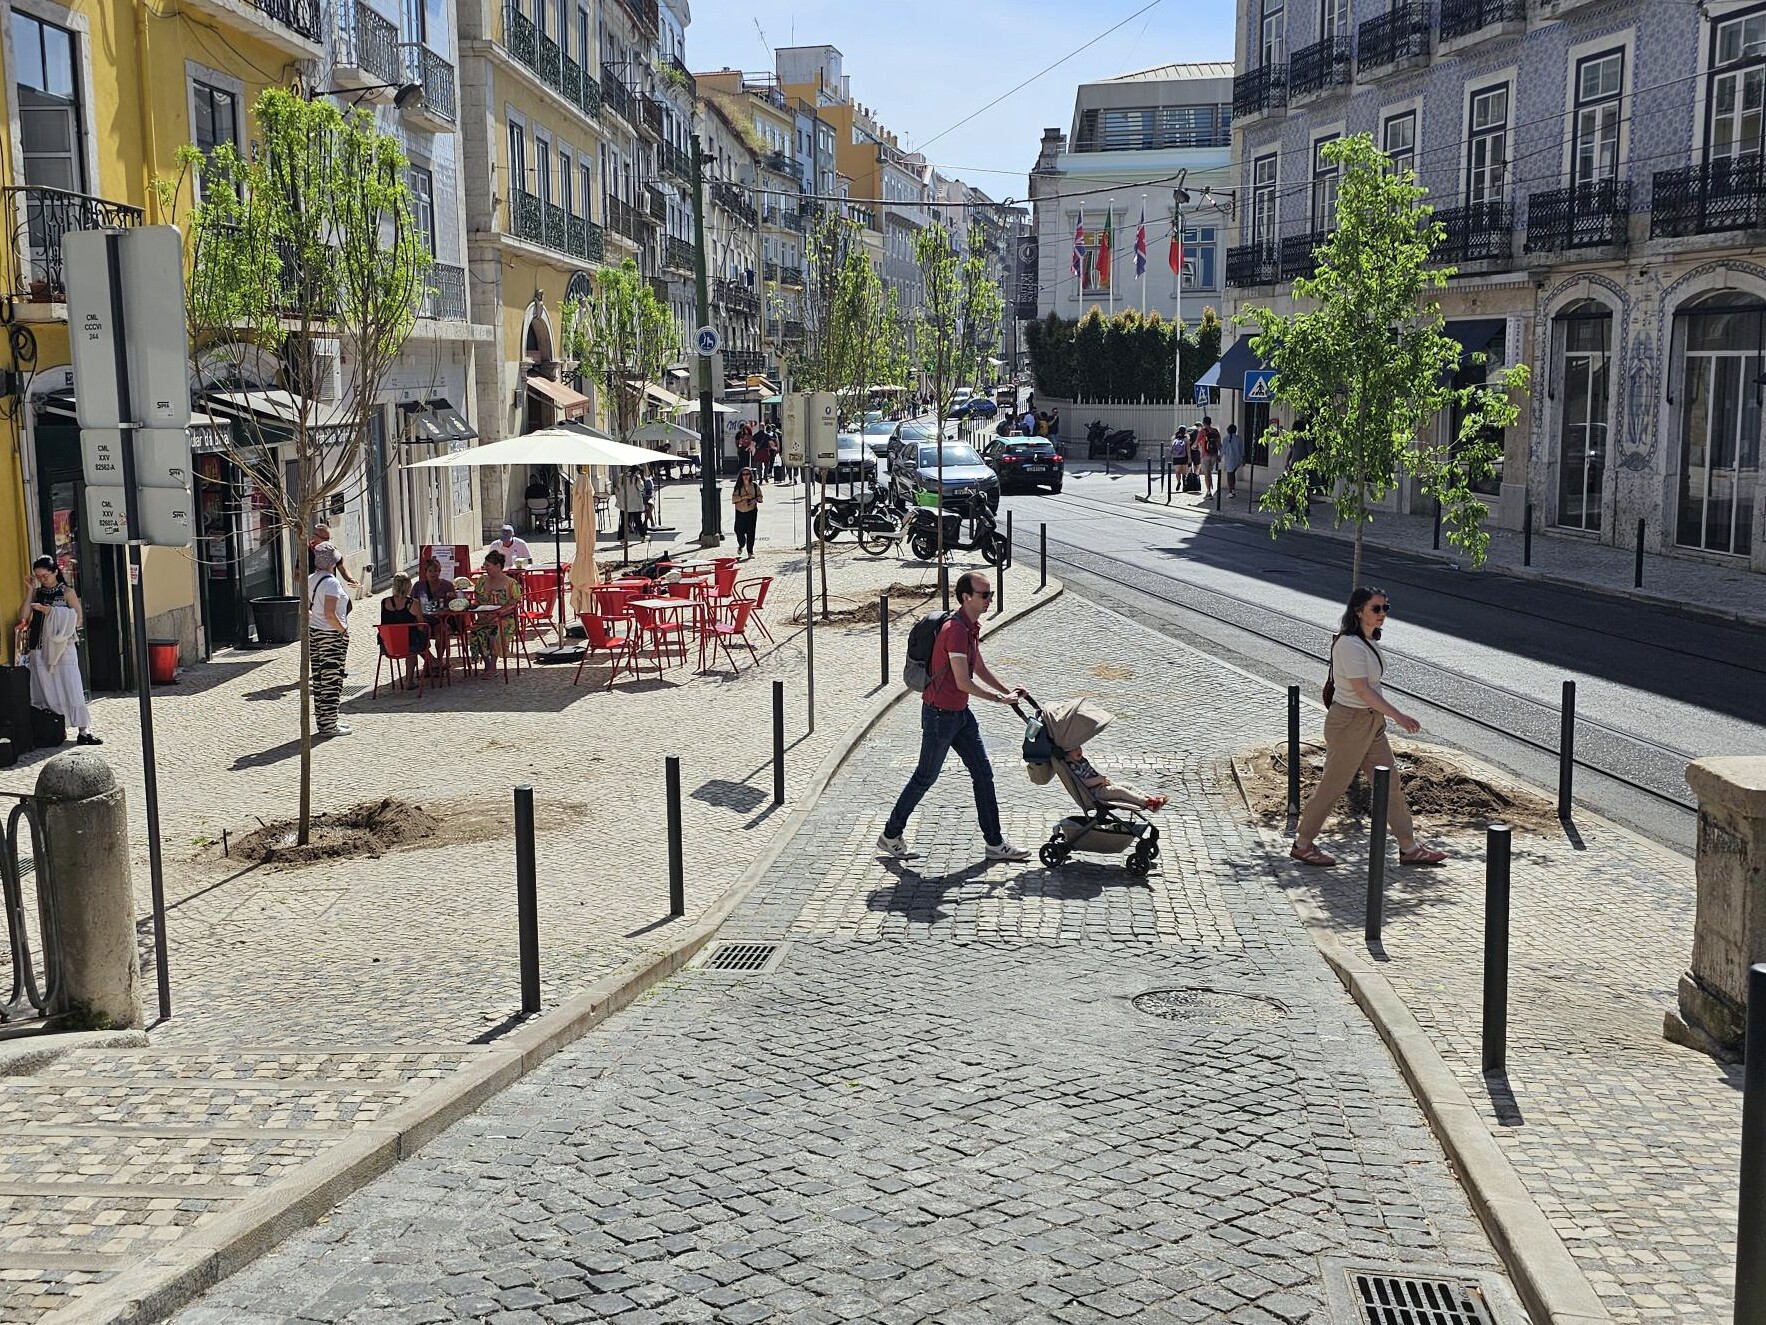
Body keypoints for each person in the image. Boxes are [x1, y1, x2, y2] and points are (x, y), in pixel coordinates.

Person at [876, 572, 1031, 863]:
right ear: (966, 597)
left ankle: (995, 844)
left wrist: (1008, 690)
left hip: (960, 715)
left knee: (983, 773)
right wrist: (1000, 700)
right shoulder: (955, 630)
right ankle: (890, 835)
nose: (989, 599)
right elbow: (964, 682)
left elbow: (979, 668)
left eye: (991, 594)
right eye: (984, 595)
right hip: (940, 716)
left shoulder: (969, 627)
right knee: (925, 776)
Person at [1290, 587, 1446, 868]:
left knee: (1390, 784)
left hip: (1370, 722)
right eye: (1376, 608)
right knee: (1334, 785)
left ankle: (1409, 847)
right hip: (1350, 722)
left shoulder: (1367, 640)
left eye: (1386, 607)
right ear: (1359, 611)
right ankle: (1302, 844)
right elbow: (1362, 690)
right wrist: (1399, 716)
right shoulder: (1349, 644)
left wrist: (1384, 717)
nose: (1382, 613)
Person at [16, 557, 99, 745]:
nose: (42, 580)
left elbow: (78, 619)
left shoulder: (67, 592)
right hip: (39, 647)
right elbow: (23, 616)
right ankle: (55, 728)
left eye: (45, 575)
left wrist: (51, 612)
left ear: (55, 572)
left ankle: (84, 730)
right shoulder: (37, 593)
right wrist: (30, 591)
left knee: (71, 685)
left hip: (63, 647)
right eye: (38, 576)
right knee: (46, 689)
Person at [308, 543, 352, 738]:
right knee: (332, 680)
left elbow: (306, 609)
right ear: (333, 562)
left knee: (319, 680)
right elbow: (330, 614)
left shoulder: (311, 579)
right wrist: (343, 631)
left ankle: (325, 722)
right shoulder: (332, 583)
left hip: (315, 633)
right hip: (330, 636)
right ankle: (329, 726)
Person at [1063, 744, 1167, 812]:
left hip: (1101, 786)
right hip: (1095, 793)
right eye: (1074, 749)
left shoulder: (1082, 761)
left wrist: (1102, 779)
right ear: (1067, 754)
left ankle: (1150, 798)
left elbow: (1092, 773)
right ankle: (1147, 803)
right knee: (1119, 791)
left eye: (1079, 747)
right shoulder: (1072, 766)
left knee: (1127, 785)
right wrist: (1099, 780)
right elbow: (1083, 783)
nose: (1078, 750)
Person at [379, 572, 435, 689]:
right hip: (409, 645)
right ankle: (410, 680)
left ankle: (433, 662)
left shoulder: (384, 602)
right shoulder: (413, 603)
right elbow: (421, 624)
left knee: (412, 641)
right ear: (408, 586)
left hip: (389, 645)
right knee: (417, 642)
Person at [471, 549, 523, 662]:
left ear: (498, 566)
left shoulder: (510, 583)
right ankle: (487, 663)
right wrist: (480, 612)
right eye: (484, 565)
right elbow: (477, 600)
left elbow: (514, 602)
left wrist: (498, 613)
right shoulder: (482, 581)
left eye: (488, 565)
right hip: (484, 618)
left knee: (494, 634)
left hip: (504, 618)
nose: (485, 568)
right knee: (477, 632)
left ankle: (493, 665)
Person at [731, 467, 763, 558]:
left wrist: (755, 500)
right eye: (744, 474)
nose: (746, 476)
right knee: (738, 530)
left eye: (747, 474)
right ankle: (741, 545)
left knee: (751, 532)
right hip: (740, 512)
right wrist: (744, 497)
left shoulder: (755, 486)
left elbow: (760, 497)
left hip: (752, 511)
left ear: (750, 475)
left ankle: (750, 551)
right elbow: (733, 499)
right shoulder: (738, 487)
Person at [616, 468, 647, 538]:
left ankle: (621, 538)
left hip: (624, 503)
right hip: (635, 503)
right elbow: (641, 487)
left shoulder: (622, 477)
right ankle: (643, 536)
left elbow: (618, 487)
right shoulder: (636, 478)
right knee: (638, 521)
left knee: (623, 522)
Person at [1197, 415, 1221, 499]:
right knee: (1209, 472)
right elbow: (1219, 444)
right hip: (1214, 455)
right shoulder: (1215, 431)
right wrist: (1219, 455)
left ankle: (1208, 492)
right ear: (1210, 423)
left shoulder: (1202, 431)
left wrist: (1193, 447)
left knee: (1206, 474)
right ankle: (1210, 487)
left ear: (1203, 423)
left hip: (1205, 455)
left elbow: (1197, 442)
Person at [1221, 422, 1245, 498]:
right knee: (1233, 474)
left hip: (1229, 459)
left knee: (1229, 475)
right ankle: (1232, 489)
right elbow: (1241, 449)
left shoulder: (1226, 439)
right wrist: (1243, 458)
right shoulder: (1239, 438)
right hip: (1236, 459)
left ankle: (1230, 490)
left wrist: (1220, 457)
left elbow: (1223, 450)